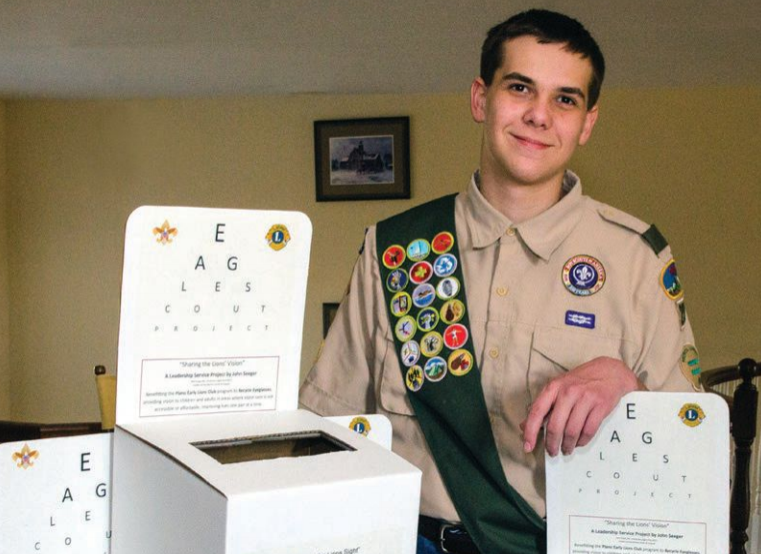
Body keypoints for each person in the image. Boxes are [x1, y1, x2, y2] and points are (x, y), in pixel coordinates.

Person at [300, 9, 699, 554]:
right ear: (480, 100)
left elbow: (700, 465)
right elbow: (325, 435)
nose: (539, 115)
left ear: (587, 122)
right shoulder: (393, 250)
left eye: (565, 99)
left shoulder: (635, 261)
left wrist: (633, 393)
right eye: (520, 88)